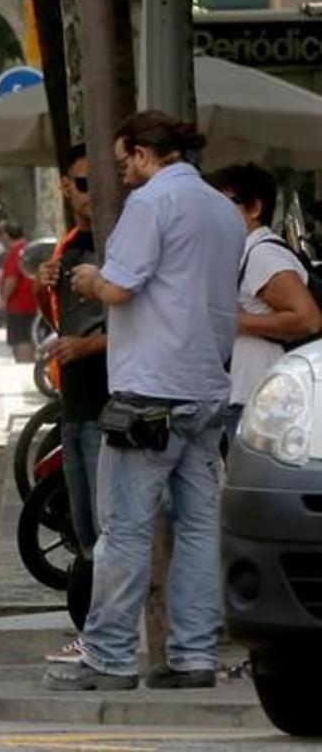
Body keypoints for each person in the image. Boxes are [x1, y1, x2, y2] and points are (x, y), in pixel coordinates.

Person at [44, 111, 246, 691]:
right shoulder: (220, 210)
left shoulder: (151, 204)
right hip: (207, 385)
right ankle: (193, 656)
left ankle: (108, 657)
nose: (121, 172)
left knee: (126, 529)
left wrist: (85, 278)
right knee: (199, 528)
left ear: (139, 153)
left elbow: (120, 286)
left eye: (121, 159)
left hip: (149, 391)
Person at [35, 143, 109, 664]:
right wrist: (46, 286)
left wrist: (88, 346)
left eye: (99, 183)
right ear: (65, 186)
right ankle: (95, 632)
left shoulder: (118, 241)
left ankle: (106, 636)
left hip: (112, 400)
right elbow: (66, 320)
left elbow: (145, 322)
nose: (91, 196)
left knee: (110, 529)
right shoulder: (71, 244)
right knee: (85, 529)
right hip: (76, 401)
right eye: (82, 185)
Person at [208, 163, 322, 445]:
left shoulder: (262, 255)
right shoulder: (248, 254)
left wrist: (237, 321)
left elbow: (308, 319)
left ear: (254, 208)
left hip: (269, 402)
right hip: (259, 396)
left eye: (222, 205)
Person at [0, 223, 38, 362]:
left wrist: (3, 300)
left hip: (18, 306)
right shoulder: (29, 250)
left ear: (6, 236)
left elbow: (11, 280)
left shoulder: (15, 253)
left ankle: (24, 368)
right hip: (34, 303)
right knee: (31, 338)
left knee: (22, 340)